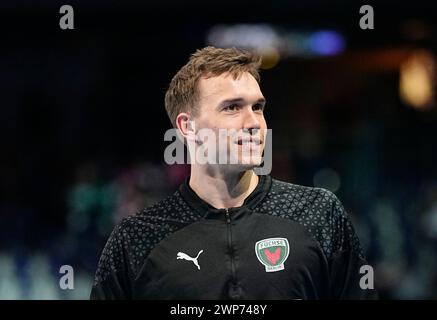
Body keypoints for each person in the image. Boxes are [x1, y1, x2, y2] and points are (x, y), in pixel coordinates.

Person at [90, 46, 377, 299]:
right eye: (232, 108)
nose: (253, 122)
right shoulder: (136, 238)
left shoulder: (318, 213)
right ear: (187, 127)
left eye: (258, 107)